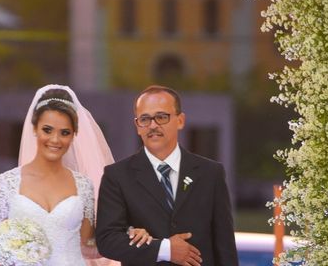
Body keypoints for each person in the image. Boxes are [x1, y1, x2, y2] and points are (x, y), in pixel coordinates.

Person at [0, 84, 151, 266]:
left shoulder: (83, 185)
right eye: (47, 130)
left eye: (64, 132)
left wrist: (126, 237)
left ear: (73, 136)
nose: (55, 140)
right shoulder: (7, 183)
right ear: (34, 129)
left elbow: (88, 246)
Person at [95, 85, 239, 266]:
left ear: (180, 120)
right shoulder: (117, 176)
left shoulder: (211, 173)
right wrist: (164, 249)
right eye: (145, 119)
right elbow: (107, 241)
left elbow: (225, 247)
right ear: (137, 126)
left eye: (161, 117)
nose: (153, 125)